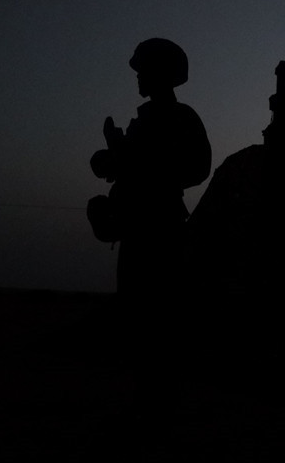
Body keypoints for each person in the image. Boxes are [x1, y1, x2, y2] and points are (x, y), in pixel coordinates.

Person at [89, 38, 211, 298]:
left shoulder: (180, 117)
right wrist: (112, 159)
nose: (138, 77)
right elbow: (132, 168)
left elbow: (198, 167)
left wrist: (136, 166)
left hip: (159, 232)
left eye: (143, 70)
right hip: (136, 228)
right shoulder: (146, 120)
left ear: (160, 72)